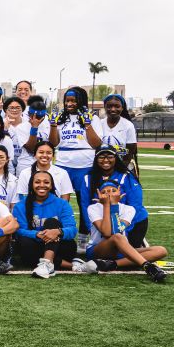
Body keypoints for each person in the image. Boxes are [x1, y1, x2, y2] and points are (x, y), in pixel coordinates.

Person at [81, 178, 169, 282]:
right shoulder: (93, 208)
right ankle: (148, 267)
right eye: (105, 192)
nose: (110, 195)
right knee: (117, 237)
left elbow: (116, 229)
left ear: (119, 191)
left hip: (120, 249)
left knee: (161, 251)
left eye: (113, 191)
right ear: (99, 194)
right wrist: (107, 206)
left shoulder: (129, 209)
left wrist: (114, 206)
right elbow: (107, 233)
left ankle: (112, 264)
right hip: (98, 249)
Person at [48, 86, 101, 239]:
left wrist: (88, 124)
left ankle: (84, 236)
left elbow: (96, 143)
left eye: (73, 100)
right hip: (63, 163)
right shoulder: (60, 118)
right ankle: (56, 233)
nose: (69, 103)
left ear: (81, 101)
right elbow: (54, 143)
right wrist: (53, 125)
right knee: (59, 200)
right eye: (67, 100)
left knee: (84, 201)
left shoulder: (92, 117)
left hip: (85, 164)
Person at [13, 171, 78, 278]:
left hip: (60, 248)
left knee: (51, 222)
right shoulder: (20, 206)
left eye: (46, 182)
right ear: (31, 185)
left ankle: (47, 262)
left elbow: (72, 230)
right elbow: (18, 231)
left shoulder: (62, 203)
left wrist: (58, 231)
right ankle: (70, 265)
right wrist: (37, 234)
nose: (42, 185)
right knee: (24, 243)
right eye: (37, 182)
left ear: (51, 185)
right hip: (34, 247)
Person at [85, 146, 151, 248]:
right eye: (101, 157)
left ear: (116, 158)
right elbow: (85, 204)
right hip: (103, 221)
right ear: (95, 159)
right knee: (110, 251)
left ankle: (138, 242)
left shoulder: (126, 176)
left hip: (130, 221)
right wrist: (92, 228)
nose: (106, 160)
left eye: (110, 156)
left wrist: (124, 230)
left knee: (125, 250)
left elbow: (136, 205)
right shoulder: (88, 178)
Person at [93, 94, 140, 179]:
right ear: (105, 107)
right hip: (102, 169)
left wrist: (118, 172)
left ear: (122, 108)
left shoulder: (128, 125)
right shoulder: (99, 124)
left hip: (123, 169)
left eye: (117, 106)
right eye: (109, 106)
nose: (113, 109)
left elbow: (129, 153)